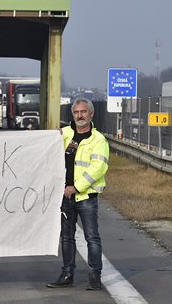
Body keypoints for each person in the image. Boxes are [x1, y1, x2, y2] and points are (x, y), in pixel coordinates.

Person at [47, 97, 109, 291]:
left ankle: (95, 276)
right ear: (72, 114)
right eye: (76, 112)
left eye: (83, 112)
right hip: (65, 196)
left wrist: (77, 187)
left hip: (85, 196)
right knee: (66, 237)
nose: (79, 116)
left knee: (92, 237)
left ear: (91, 114)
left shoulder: (98, 140)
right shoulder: (65, 134)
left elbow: (98, 167)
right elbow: (46, 147)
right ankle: (67, 274)